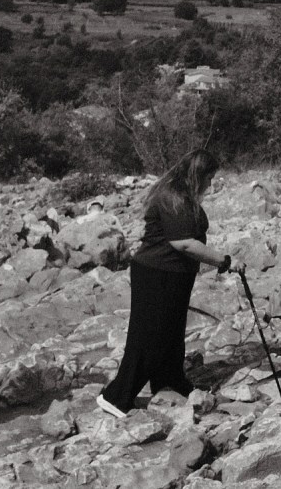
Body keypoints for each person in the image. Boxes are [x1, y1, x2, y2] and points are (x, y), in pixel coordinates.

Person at [99, 149, 232, 419]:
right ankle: (116, 396)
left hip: (174, 274)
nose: (211, 183)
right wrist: (224, 261)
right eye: (209, 177)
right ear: (197, 174)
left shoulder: (180, 195)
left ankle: (170, 381)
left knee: (172, 332)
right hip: (156, 273)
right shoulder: (172, 197)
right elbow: (183, 243)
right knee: (149, 336)